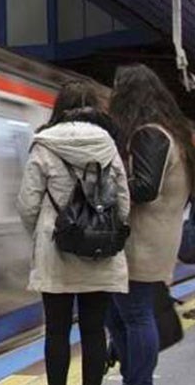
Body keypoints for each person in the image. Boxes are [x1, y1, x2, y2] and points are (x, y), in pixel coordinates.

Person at [17, 80, 131, 385]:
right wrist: (104, 231)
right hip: (99, 253)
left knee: (56, 331)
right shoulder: (107, 144)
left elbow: (28, 204)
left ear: (60, 109)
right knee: (94, 331)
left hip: (56, 253)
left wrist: (43, 235)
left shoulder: (44, 144)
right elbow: (123, 202)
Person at [106, 64, 195, 385]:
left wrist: (107, 185)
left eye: (117, 88)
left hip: (141, 242)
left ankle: (138, 380)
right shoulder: (175, 134)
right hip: (157, 238)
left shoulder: (150, 134)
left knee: (134, 315)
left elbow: (144, 188)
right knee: (117, 314)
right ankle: (135, 376)